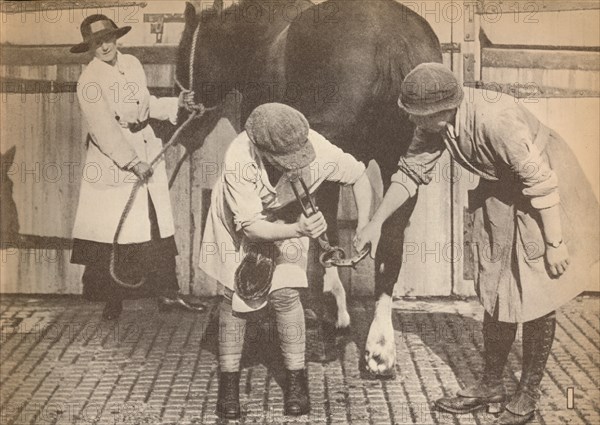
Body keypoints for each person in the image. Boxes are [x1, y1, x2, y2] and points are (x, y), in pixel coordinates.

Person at [355, 63, 599, 425]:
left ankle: (527, 393)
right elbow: (409, 173)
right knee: (496, 284)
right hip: (501, 187)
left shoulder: (495, 120)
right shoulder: (434, 126)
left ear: (441, 112)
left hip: (544, 185)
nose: (412, 123)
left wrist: (555, 242)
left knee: (538, 291)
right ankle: (490, 386)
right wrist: (376, 222)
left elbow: (542, 182)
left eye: (416, 116)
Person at [200, 103, 372, 419]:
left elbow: (359, 176)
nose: (292, 166)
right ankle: (228, 386)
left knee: (286, 295)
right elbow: (251, 226)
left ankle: (296, 382)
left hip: (288, 216)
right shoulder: (240, 157)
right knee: (237, 296)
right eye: (283, 161)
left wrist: (365, 226)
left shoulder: (317, 146)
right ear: (261, 149)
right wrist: (298, 229)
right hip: (238, 222)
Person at [70, 14, 205, 320]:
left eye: (108, 39)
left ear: (116, 38)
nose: (104, 47)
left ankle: (167, 293)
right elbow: (103, 128)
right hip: (114, 161)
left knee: (154, 224)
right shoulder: (89, 81)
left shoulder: (131, 64)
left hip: (146, 143)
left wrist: (177, 104)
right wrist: (131, 162)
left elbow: (146, 104)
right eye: (96, 43)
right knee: (115, 230)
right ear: (89, 48)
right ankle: (112, 299)